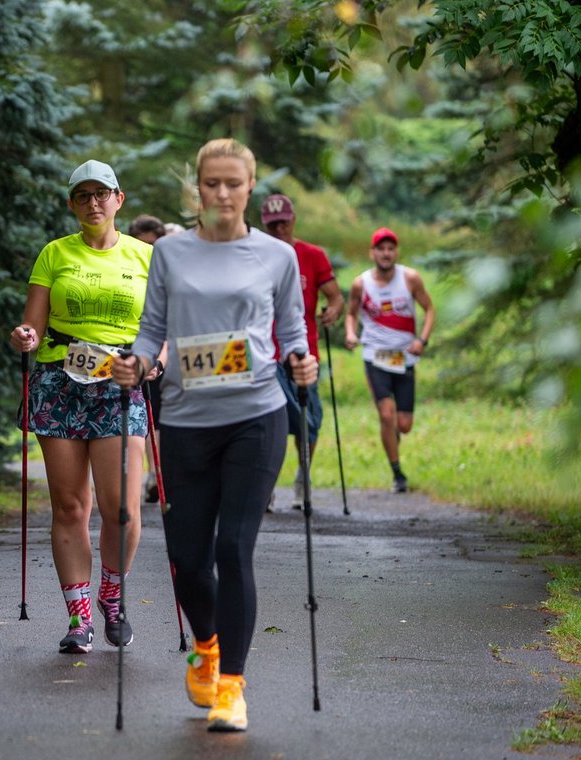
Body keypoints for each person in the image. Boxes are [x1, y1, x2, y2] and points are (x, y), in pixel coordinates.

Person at [113, 138, 317, 733]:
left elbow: (292, 330)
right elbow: (151, 331)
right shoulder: (171, 254)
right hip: (185, 420)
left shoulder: (275, 258)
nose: (222, 194)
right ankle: (206, 647)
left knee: (234, 550)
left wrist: (303, 361)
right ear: (196, 189)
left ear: (250, 187)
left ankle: (232, 686)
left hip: (256, 414)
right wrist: (138, 364)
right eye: (211, 184)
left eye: (233, 183)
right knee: (187, 559)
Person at [9, 159, 155, 654]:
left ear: (120, 199)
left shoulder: (145, 257)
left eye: (102, 193)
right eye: (82, 195)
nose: (93, 203)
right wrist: (25, 337)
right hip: (60, 380)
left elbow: (163, 330)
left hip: (119, 380)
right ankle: (79, 618)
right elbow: (33, 326)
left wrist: (153, 363)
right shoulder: (54, 254)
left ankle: (112, 593)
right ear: (72, 204)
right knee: (71, 506)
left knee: (122, 510)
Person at [260, 193, 344, 511]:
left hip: (303, 351)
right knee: (273, 420)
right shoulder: (257, 254)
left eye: (284, 222)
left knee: (310, 419)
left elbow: (335, 296)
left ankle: (302, 475)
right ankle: (265, 486)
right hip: (266, 353)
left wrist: (333, 311)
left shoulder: (312, 255)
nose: (279, 228)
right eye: (273, 224)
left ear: (293, 219)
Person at [344, 227, 435, 493]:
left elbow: (429, 309)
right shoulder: (361, 284)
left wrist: (423, 340)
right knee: (386, 414)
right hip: (375, 356)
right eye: (381, 249)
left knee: (403, 425)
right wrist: (351, 333)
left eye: (390, 248)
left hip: (404, 357)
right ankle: (398, 474)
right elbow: (351, 314)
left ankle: (393, 437)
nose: (386, 253)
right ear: (372, 253)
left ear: (396, 252)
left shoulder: (410, 279)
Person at [127, 214, 168, 504]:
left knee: (160, 419)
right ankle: (139, 476)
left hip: (162, 354)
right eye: (143, 244)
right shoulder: (127, 266)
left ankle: (157, 475)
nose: (149, 250)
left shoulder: (167, 270)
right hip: (131, 353)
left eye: (154, 244)